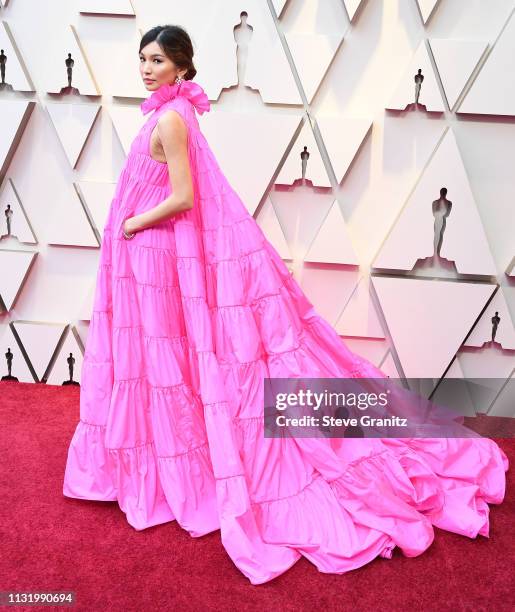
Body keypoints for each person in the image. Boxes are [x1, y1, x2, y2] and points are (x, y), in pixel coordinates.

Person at [63, 25, 509, 585]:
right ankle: (161, 458)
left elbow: (182, 197)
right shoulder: (168, 113)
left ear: (181, 65)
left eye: (157, 60)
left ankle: (178, 466)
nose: (147, 68)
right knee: (162, 359)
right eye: (142, 59)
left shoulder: (173, 118)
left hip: (151, 249)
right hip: (151, 260)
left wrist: (130, 222)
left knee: (169, 358)